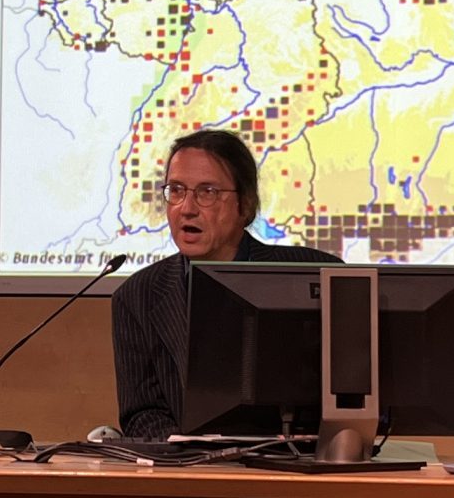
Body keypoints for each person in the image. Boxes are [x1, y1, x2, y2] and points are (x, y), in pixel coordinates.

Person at [110, 127, 341, 439]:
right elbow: (141, 414)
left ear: (244, 205)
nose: (187, 208)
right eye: (176, 190)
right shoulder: (138, 295)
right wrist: (189, 454)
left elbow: (348, 396)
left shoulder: (316, 273)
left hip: (299, 470)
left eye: (207, 193)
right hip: (192, 474)